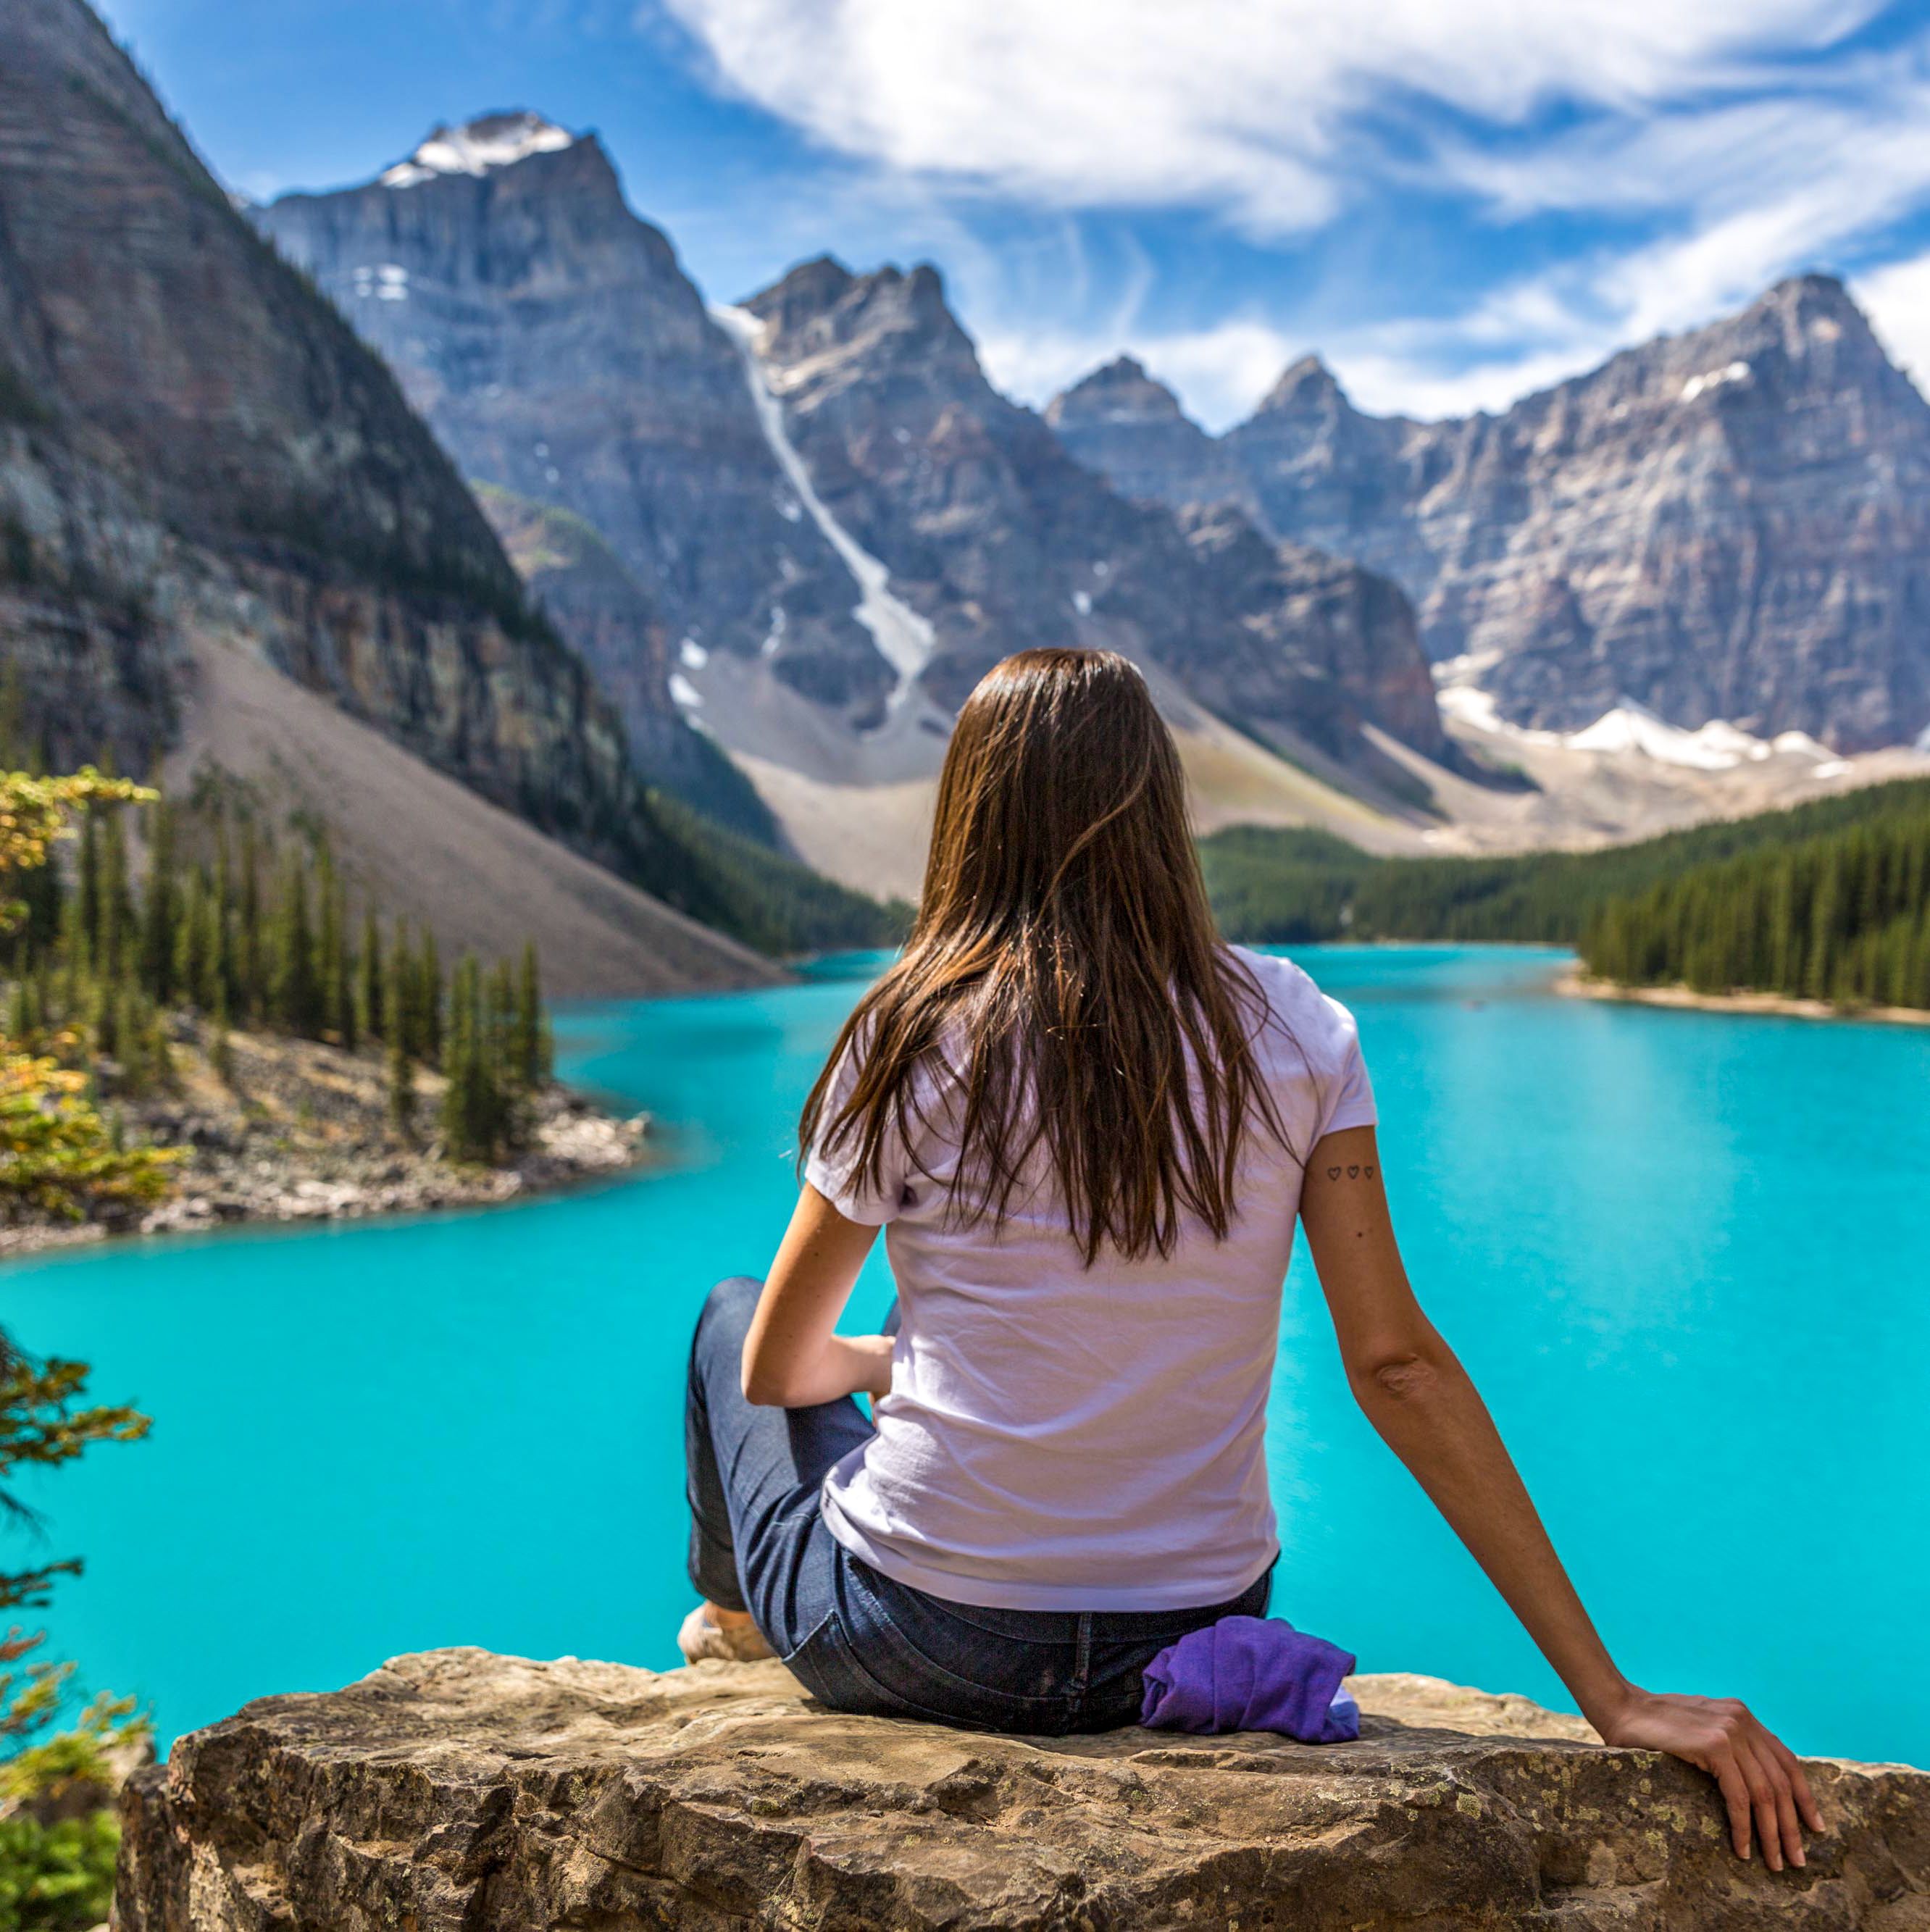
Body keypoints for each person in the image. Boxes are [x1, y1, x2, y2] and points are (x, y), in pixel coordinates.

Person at [681, 647, 1821, 1871]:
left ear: (972, 818)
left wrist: (889, 1359)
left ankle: (740, 1618)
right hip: (1190, 1640)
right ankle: (751, 1615)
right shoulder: (1297, 1028)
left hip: (919, 1639)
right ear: (1161, 811)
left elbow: (775, 1371)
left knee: (725, 1315)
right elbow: (1395, 1367)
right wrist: (1614, 1696)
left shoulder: (909, 1028)